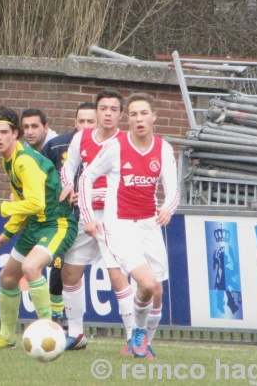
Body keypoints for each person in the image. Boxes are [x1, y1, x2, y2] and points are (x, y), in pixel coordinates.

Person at [78, 92, 179, 359]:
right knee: (145, 283)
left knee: (156, 289)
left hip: (149, 225)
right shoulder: (116, 147)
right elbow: (87, 177)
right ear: (129, 120)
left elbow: (173, 189)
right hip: (119, 225)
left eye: (144, 113)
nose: (139, 119)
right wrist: (88, 216)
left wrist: (168, 208)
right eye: (133, 114)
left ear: (154, 117)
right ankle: (137, 334)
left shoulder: (163, 148)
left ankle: (143, 343)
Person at [0, 106, 77, 349]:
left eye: (3, 132)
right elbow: (22, 202)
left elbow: (35, 203)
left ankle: (51, 333)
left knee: (30, 267)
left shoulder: (24, 161)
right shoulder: (9, 160)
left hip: (56, 224)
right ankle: (6, 337)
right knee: (7, 278)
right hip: (36, 226)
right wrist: (6, 234)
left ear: (14, 134)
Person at [59, 89, 134, 351]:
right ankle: (77, 334)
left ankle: (132, 338)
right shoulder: (81, 138)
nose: (108, 113)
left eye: (114, 109)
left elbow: (129, 180)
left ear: (120, 115)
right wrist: (68, 187)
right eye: (103, 108)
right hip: (86, 214)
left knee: (117, 277)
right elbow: (69, 168)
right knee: (70, 272)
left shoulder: (127, 141)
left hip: (114, 216)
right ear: (97, 110)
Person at [40, 102, 97, 327]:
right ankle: (58, 318)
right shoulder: (56, 146)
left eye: (90, 121)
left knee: (118, 273)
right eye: (80, 121)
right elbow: (41, 180)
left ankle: (134, 330)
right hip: (65, 218)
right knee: (60, 267)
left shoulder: (112, 147)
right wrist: (60, 197)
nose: (84, 126)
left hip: (102, 218)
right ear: (74, 122)